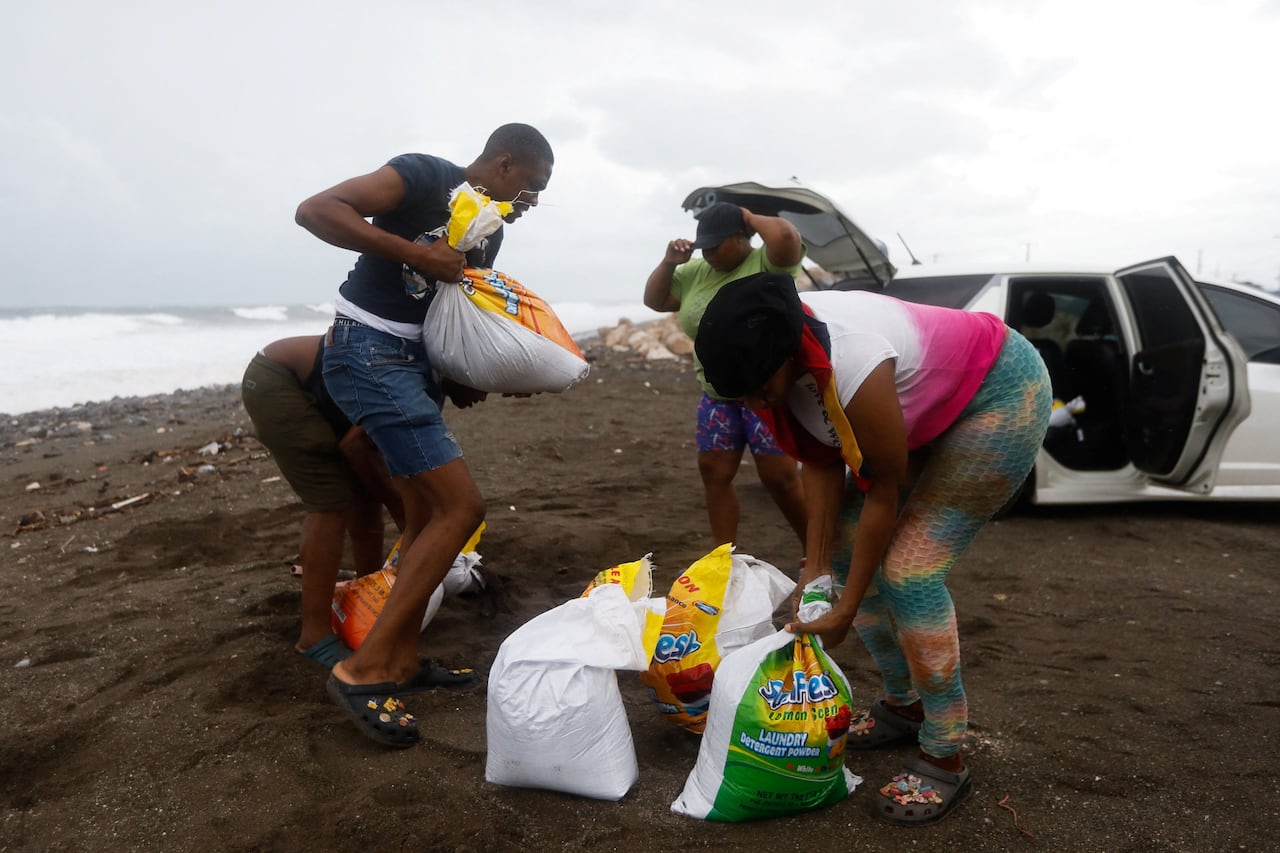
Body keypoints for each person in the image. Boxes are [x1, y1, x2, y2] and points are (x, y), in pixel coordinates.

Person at [694, 272, 1051, 825]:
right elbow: (817, 459)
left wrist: (848, 605)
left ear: (787, 356)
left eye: (760, 390)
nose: (754, 402)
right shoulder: (770, 352)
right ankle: (902, 705)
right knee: (838, 558)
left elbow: (883, 487)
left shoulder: (853, 358)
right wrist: (817, 575)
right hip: (921, 403)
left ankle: (944, 748)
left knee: (911, 572)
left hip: (998, 393)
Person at [295, 123, 553, 748]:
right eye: (534, 186)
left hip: (414, 365)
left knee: (420, 514)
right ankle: (362, 670)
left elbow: (442, 311)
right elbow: (315, 211)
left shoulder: (486, 231)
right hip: (366, 351)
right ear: (504, 162)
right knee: (460, 508)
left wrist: (464, 372)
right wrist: (413, 252)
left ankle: (403, 661)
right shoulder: (423, 176)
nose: (535, 202)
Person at [643, 202, 808, 556]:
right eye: (705, 245)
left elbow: (784, 234)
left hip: (767, 390)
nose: (710, 252)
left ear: (740, 238)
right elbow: (655, 301)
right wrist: (671, 261)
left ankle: (819, 554)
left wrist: (746, 215)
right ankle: (723, 558)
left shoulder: (768, 261)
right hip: (716, 392)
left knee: (779, 477)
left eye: (717, 244)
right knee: (714, 471)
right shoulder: (697, 272)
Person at [241, 334, 405, 667]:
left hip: (320, 393)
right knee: (330, 502)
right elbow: (355, 446)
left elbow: (367, 450)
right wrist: (408, 519)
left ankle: (365, 599)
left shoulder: (428, 373)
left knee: (364, 494)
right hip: (280, 380)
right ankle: (314, 637)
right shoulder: (421, 373)